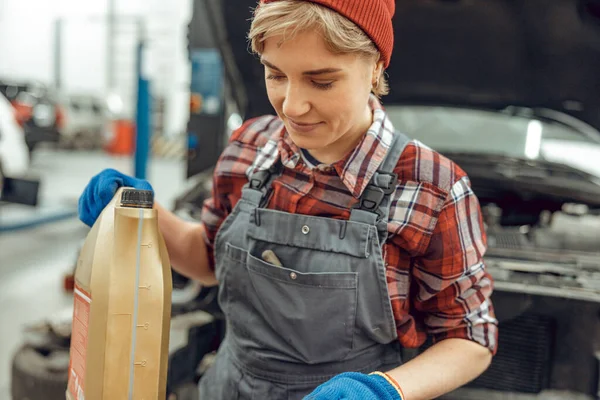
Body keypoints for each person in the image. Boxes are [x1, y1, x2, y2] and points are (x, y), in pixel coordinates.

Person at [79, 1, 498, 399]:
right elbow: (207, 262)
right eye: (275, 74)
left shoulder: (432, 188)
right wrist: (139, 212)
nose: (292, 106)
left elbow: (470, 337)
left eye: (321, 80)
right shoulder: (249, 148)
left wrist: (386, 389)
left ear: (374, 67)